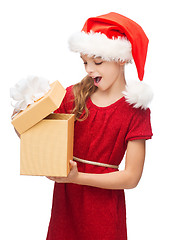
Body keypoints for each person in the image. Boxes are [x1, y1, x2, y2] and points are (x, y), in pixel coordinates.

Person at [46, 12, 153, 240]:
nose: (88, 69)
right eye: (85, 62)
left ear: (121, 59)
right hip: (66, 207)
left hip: (103, 212)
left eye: (98, 62)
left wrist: (77, 178)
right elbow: (45, 137)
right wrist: (23, 123)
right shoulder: (72, 96)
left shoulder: (135, 110)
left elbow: (131, 177)